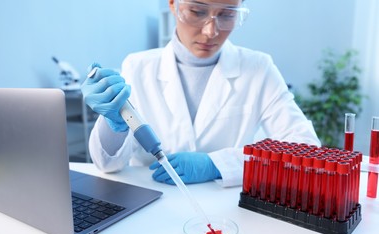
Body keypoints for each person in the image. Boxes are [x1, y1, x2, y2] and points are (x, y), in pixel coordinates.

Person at [81, 0, 321, 187]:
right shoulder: (138, 67)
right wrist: (114, 126)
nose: (210, 31)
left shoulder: (258, 68)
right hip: (153, 210)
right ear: (173, 4)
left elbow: (305, 147)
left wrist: (217, 165)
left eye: (227, 14)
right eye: (197, 11)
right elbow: (108, 165)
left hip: (230, 212)